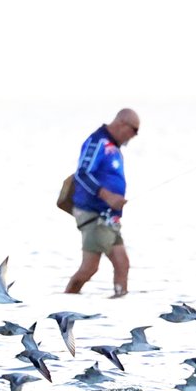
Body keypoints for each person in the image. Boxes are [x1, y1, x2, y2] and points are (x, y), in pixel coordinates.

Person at [64, 108, 141, 298]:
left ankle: (119, 304)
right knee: (89, 268)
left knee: (122, 263)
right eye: (134, 130)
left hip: (109, 217)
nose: (133, 136)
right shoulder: (97, 142)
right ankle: (64, 303)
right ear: (122, 123)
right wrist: (107, 196)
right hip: (93, 214)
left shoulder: (114, 147)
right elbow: (82, 174)